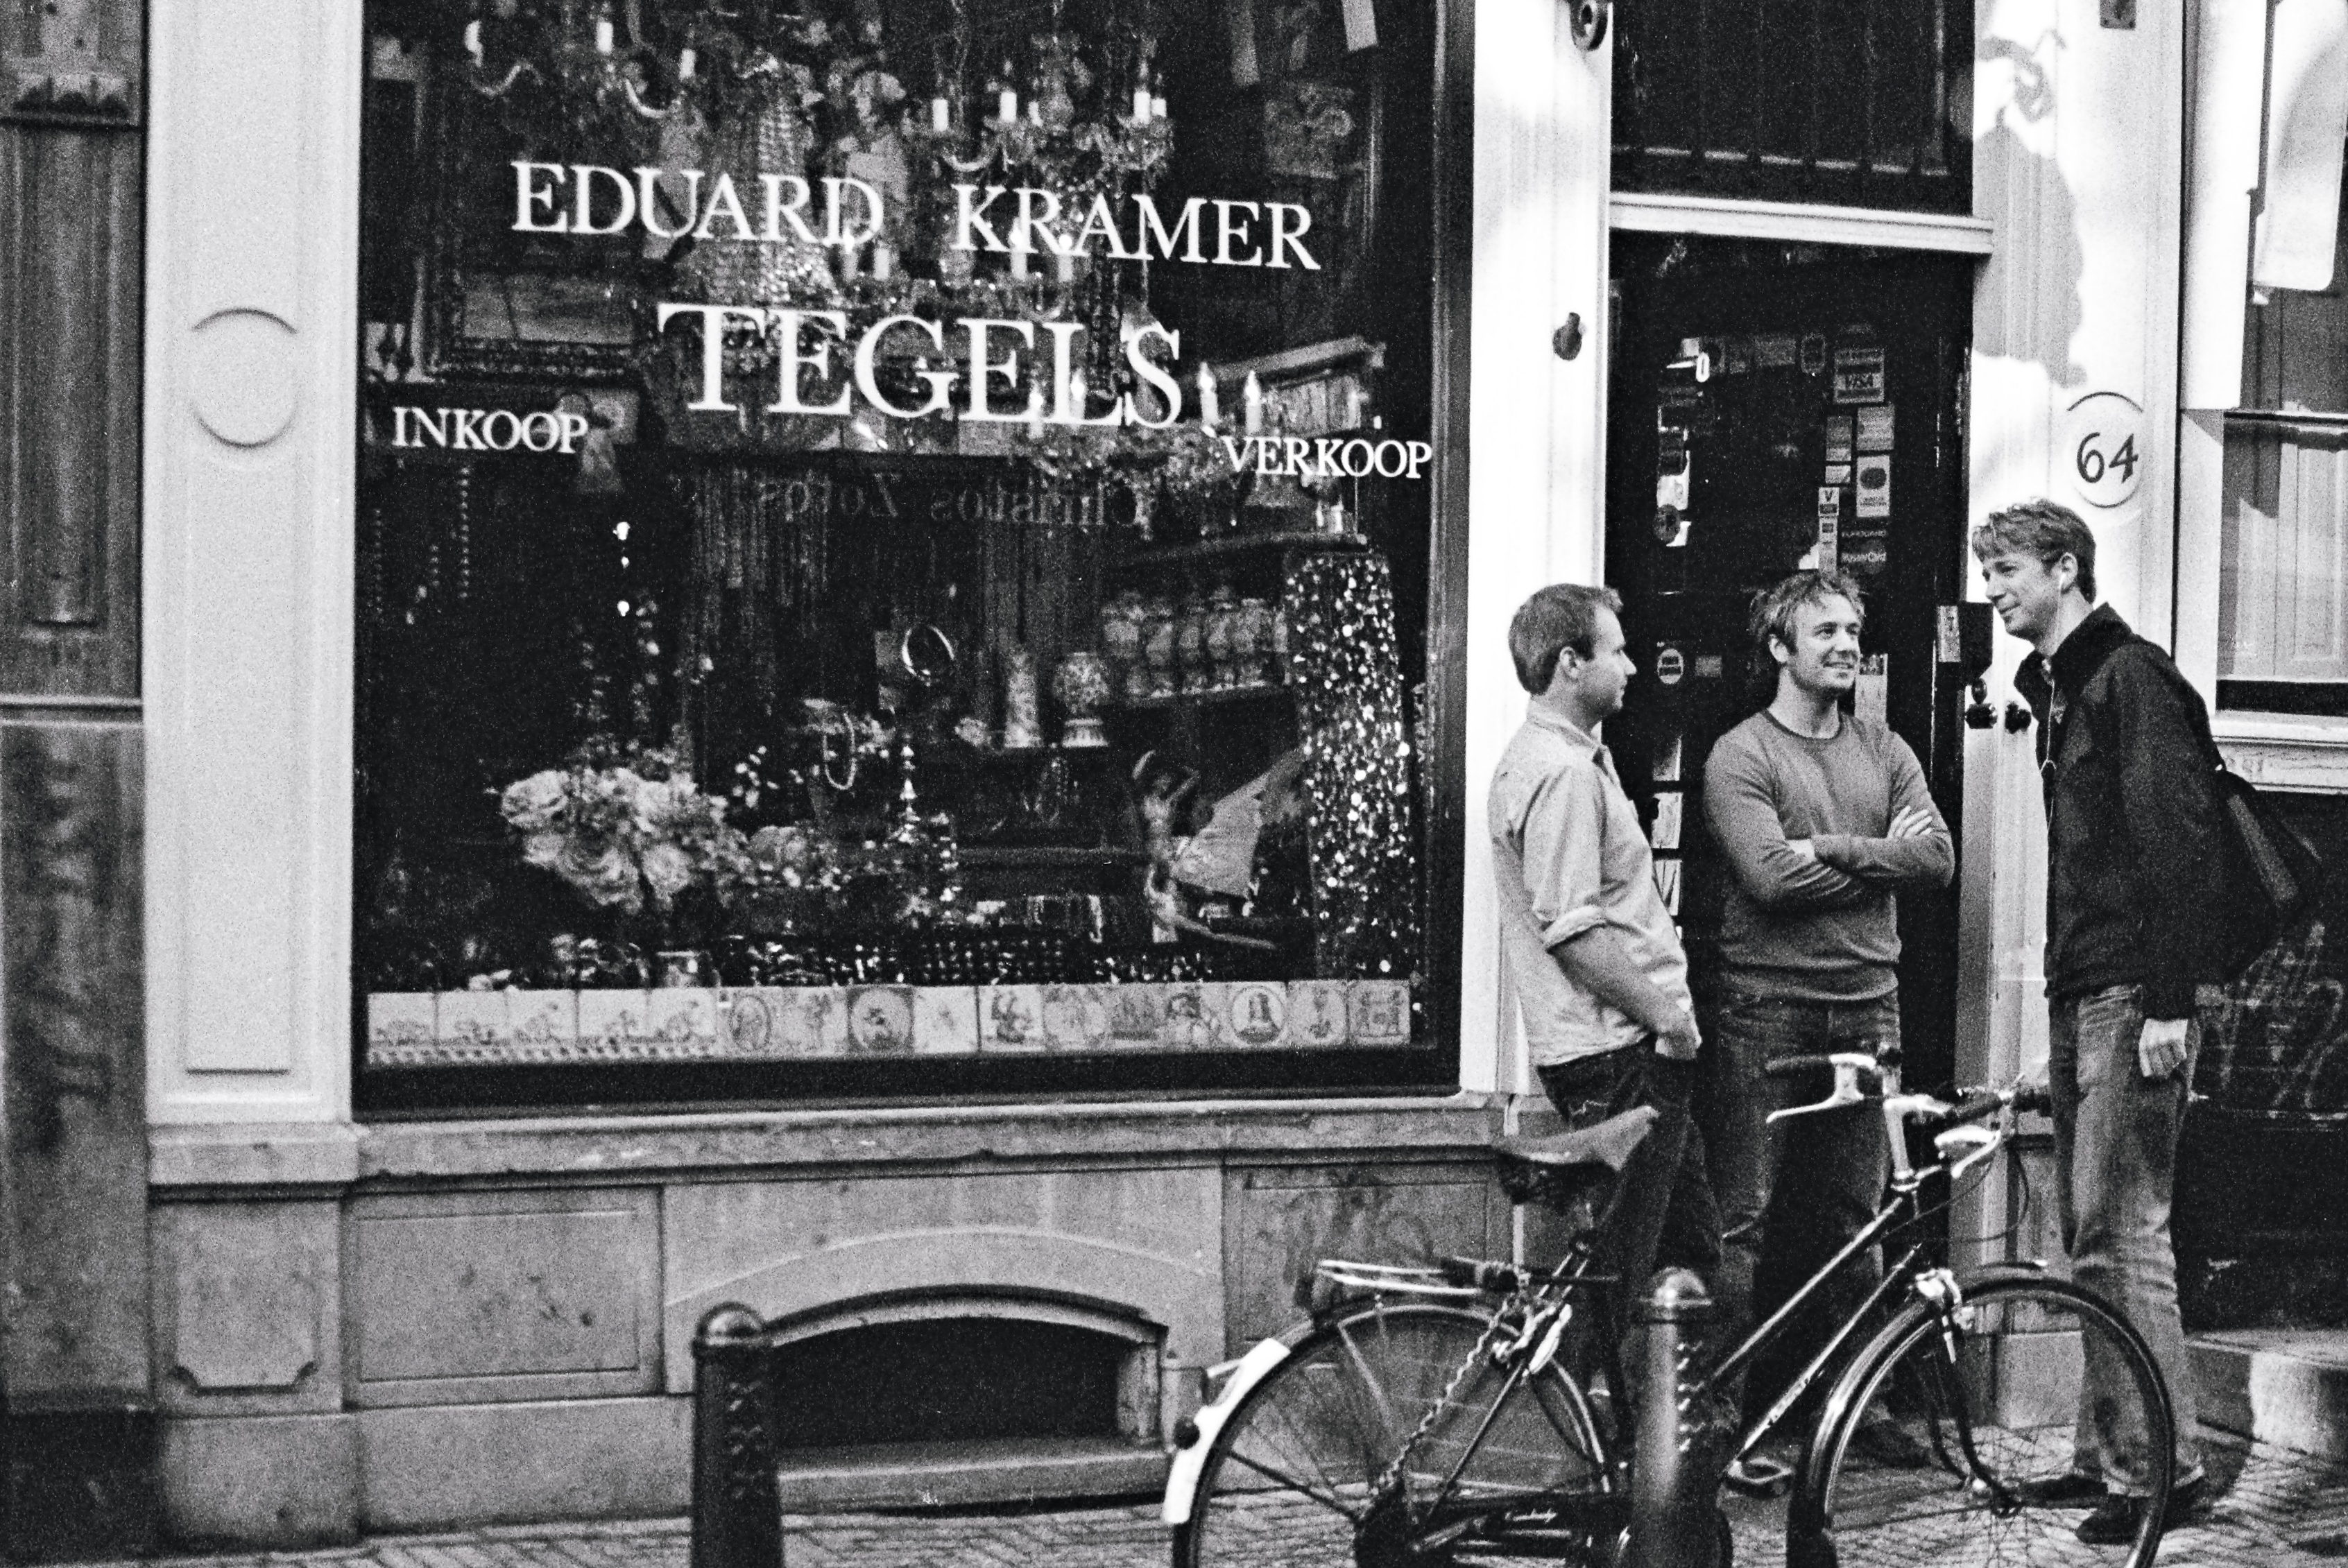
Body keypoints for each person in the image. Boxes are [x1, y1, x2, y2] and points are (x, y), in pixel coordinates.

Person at [1978, 498, 2216, 1541]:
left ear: (2064, 568)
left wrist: (2168, 1001)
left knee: (2123, 1233)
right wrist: (2061, 1016)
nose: (1993, 590)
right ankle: (2108, 1451)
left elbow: (2179, 846)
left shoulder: (2130, 679)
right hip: (2092, 991)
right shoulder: (2064, 690)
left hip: (2134, 993)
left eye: (2008, 571)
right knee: (2091, 1237)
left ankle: (2168, 1467)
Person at [1699, 571, 1952, 1481]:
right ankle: (1714, 1420)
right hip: (1764, 1009)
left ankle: (1859, 1403)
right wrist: (1880, 867)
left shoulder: (1884, 750)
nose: (1847, 645)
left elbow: (1936, 858)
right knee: (1747, 1221)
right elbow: (1767, 879)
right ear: (1779, 647)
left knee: (1856, 1219)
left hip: (1866, 1009)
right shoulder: (1739, 755)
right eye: (1826, 633)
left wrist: (1840, 850)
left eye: (1853, 630)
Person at [1489, 583, 1721, 1323]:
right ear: (1569, 663)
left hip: (1619, 1047)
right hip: (1619, 1051)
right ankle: (1591, 1430)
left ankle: (1663, 1436)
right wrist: (1670, 1023)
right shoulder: (1560, 773)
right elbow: (1575, 932)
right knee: (1627, 1276)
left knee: (1683, 1253)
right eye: (1616, 650)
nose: (1631, 666)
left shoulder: (1563, 759)